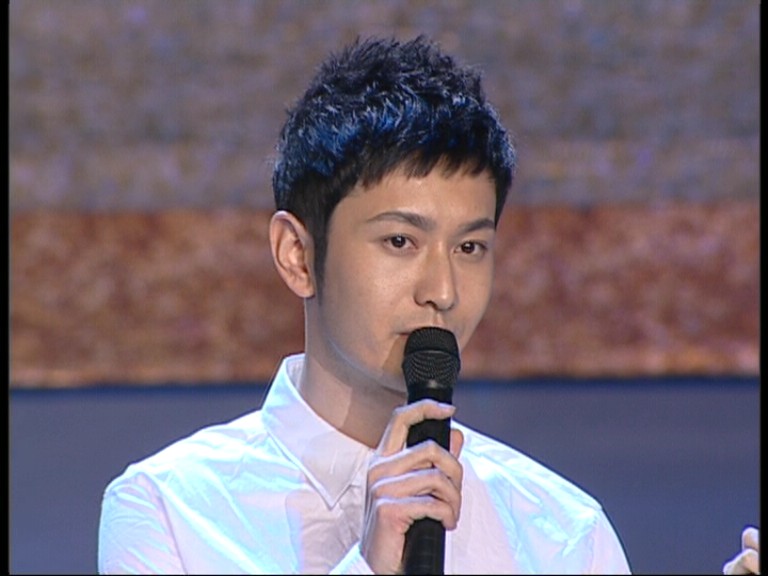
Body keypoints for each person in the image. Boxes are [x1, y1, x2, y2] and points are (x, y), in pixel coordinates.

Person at [98, 35, 631, 574]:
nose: (442, 291)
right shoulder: (169, 510)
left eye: (469, 248)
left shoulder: (564, 534)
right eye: (400, 241)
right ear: (298, 255)